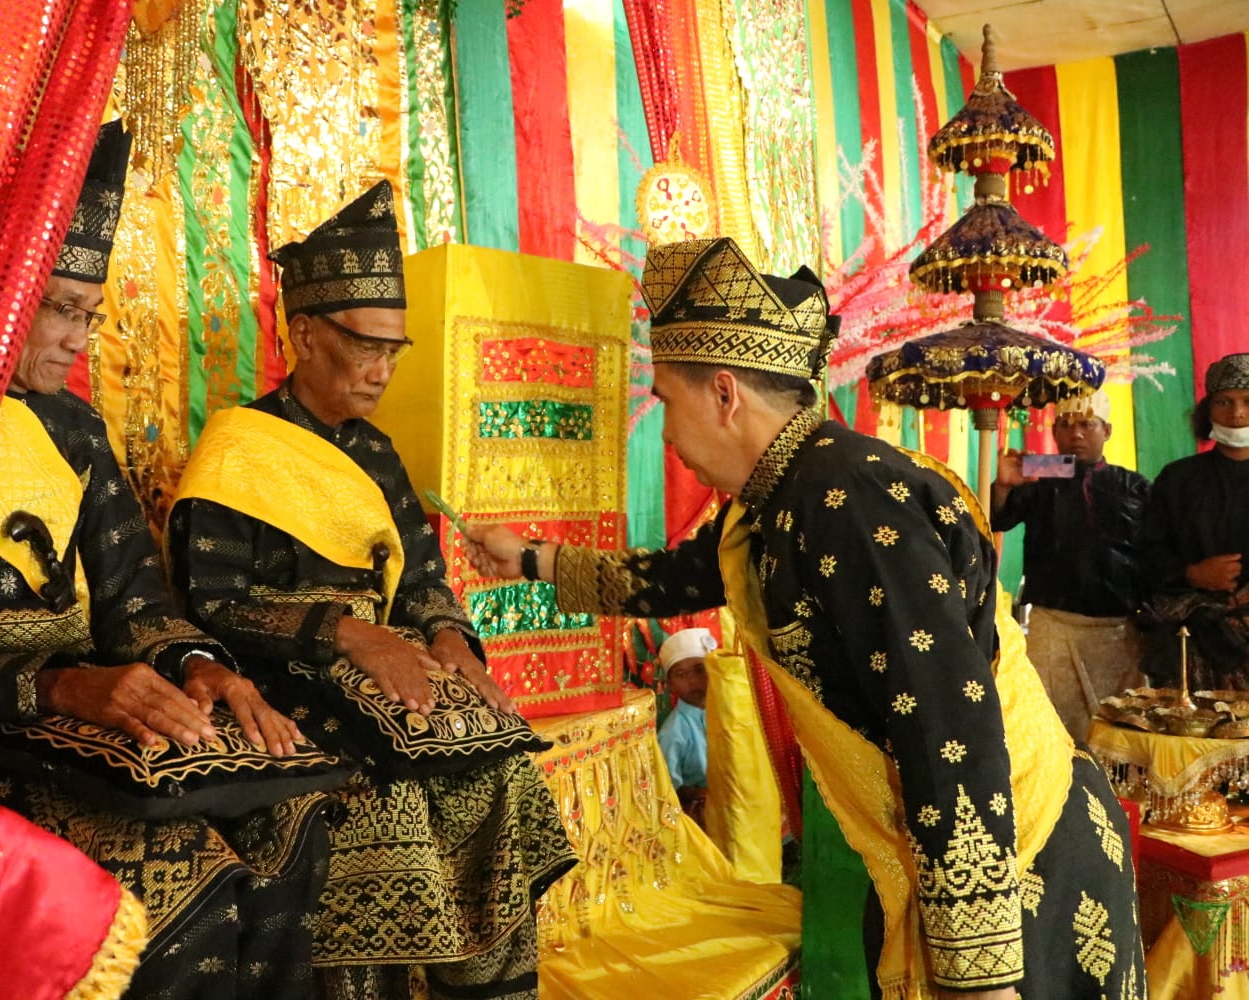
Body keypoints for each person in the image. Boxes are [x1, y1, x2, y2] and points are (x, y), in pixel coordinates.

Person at [465, 237, 1144, 1000]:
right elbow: (678, 576)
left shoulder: (848, 503)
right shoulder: (779, 497)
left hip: (1020, 863)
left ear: (725, 394)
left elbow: (948, 724)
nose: (663, 432)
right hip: (953, 855)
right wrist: (527, 557)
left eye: (666, 402)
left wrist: (977, 968)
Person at [0, 122, 338, 1000]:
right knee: (183, 885)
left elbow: (135, 606)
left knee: (295, 822)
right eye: (60, 308)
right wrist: (55, 687)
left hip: (72, 732)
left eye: (91, 313)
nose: (78, 337)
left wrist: (202, 668)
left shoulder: (77, 430)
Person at [167, 181, 575, 1000]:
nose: (383, 370)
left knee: (503, 778)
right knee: (387, 807)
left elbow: (421, 579)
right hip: (286, 682)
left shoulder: (380, 454)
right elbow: (211, 603)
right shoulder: (237, 449)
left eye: (396, 351)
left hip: (394, 680)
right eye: (366, 347)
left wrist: (450, 638)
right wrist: (348, 635)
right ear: (306, 334)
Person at [990, 389, 1149, 740]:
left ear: (1106, 431)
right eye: (1064, 424)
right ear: (1053, 432)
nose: (1074, 434)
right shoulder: (1039, 474)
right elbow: (992, 520)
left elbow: (1153, 554)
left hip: (1119, 631)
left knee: (1118, 732)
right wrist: (1001, 487)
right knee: (1050, 729)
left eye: (1085, 424)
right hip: (1053, 627)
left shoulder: (1133, 485)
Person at [1139, 352, 1249, 690]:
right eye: (1224, 402)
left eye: (1247, 401)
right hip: (1194, 640)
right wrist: (1194, 574)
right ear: (1208, 411)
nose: (1237, 413)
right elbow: (1145, 556)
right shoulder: (1178, 479)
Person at [656, 626, 715, 824]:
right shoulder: (674, 731)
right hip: (702, 819)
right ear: (670, 684)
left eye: (700, 670)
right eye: (681, 674)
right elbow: (666, 791)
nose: (692, 681)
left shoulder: (732, 712)